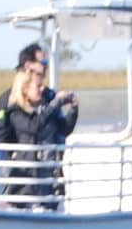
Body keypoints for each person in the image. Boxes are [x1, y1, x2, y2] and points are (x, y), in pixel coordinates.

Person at [5, 65, 78, 206]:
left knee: (51, 207)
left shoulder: (45, 109)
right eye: (38, 86)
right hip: (29, 177)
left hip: (50, 173)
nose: (42, 89)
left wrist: (73, 110)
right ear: (25, 89)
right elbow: (34, 126)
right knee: (28, 207)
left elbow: (64, 129)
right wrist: (55, 104)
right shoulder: (16, 112)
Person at [0, 42, 53, 148]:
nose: (46, 65)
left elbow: (61, 128)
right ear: (28, 65)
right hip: (21, 156)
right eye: (43, 62)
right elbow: (1, 136)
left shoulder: (49, 95)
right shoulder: (6, 100)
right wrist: (9, 156)